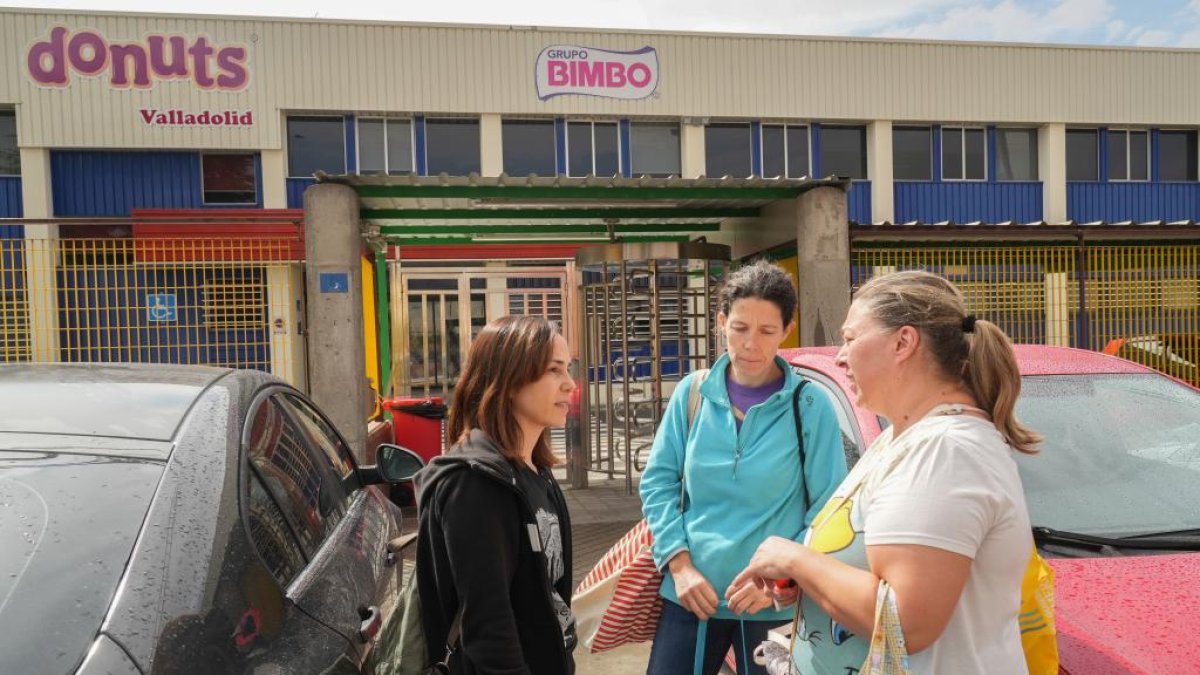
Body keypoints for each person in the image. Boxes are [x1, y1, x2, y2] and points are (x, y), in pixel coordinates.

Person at [731, 270, 1041, 674]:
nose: (840, 356)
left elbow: (905, 622)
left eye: (850, 338)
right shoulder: (901, 436)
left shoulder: (943, 450)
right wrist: (810, 582)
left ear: (903, 342)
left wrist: (795, 561)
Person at [640, 259, 849, 675]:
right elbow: (659, 482)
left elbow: (829, 509)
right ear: (720, 322)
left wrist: (781, 583)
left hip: (772, 607)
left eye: (767, 331)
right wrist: (679, 568)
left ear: (787, 330)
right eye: (739, 328)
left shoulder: (808, 405)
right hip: (691, 597)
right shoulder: (692, 393)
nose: (751, 344)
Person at [414, 315, 577, 675]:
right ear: (509, 378)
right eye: (554, 370)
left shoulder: (536, 472)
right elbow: (488, 629)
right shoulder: (475, 484)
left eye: (568, 369)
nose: (570, 384)